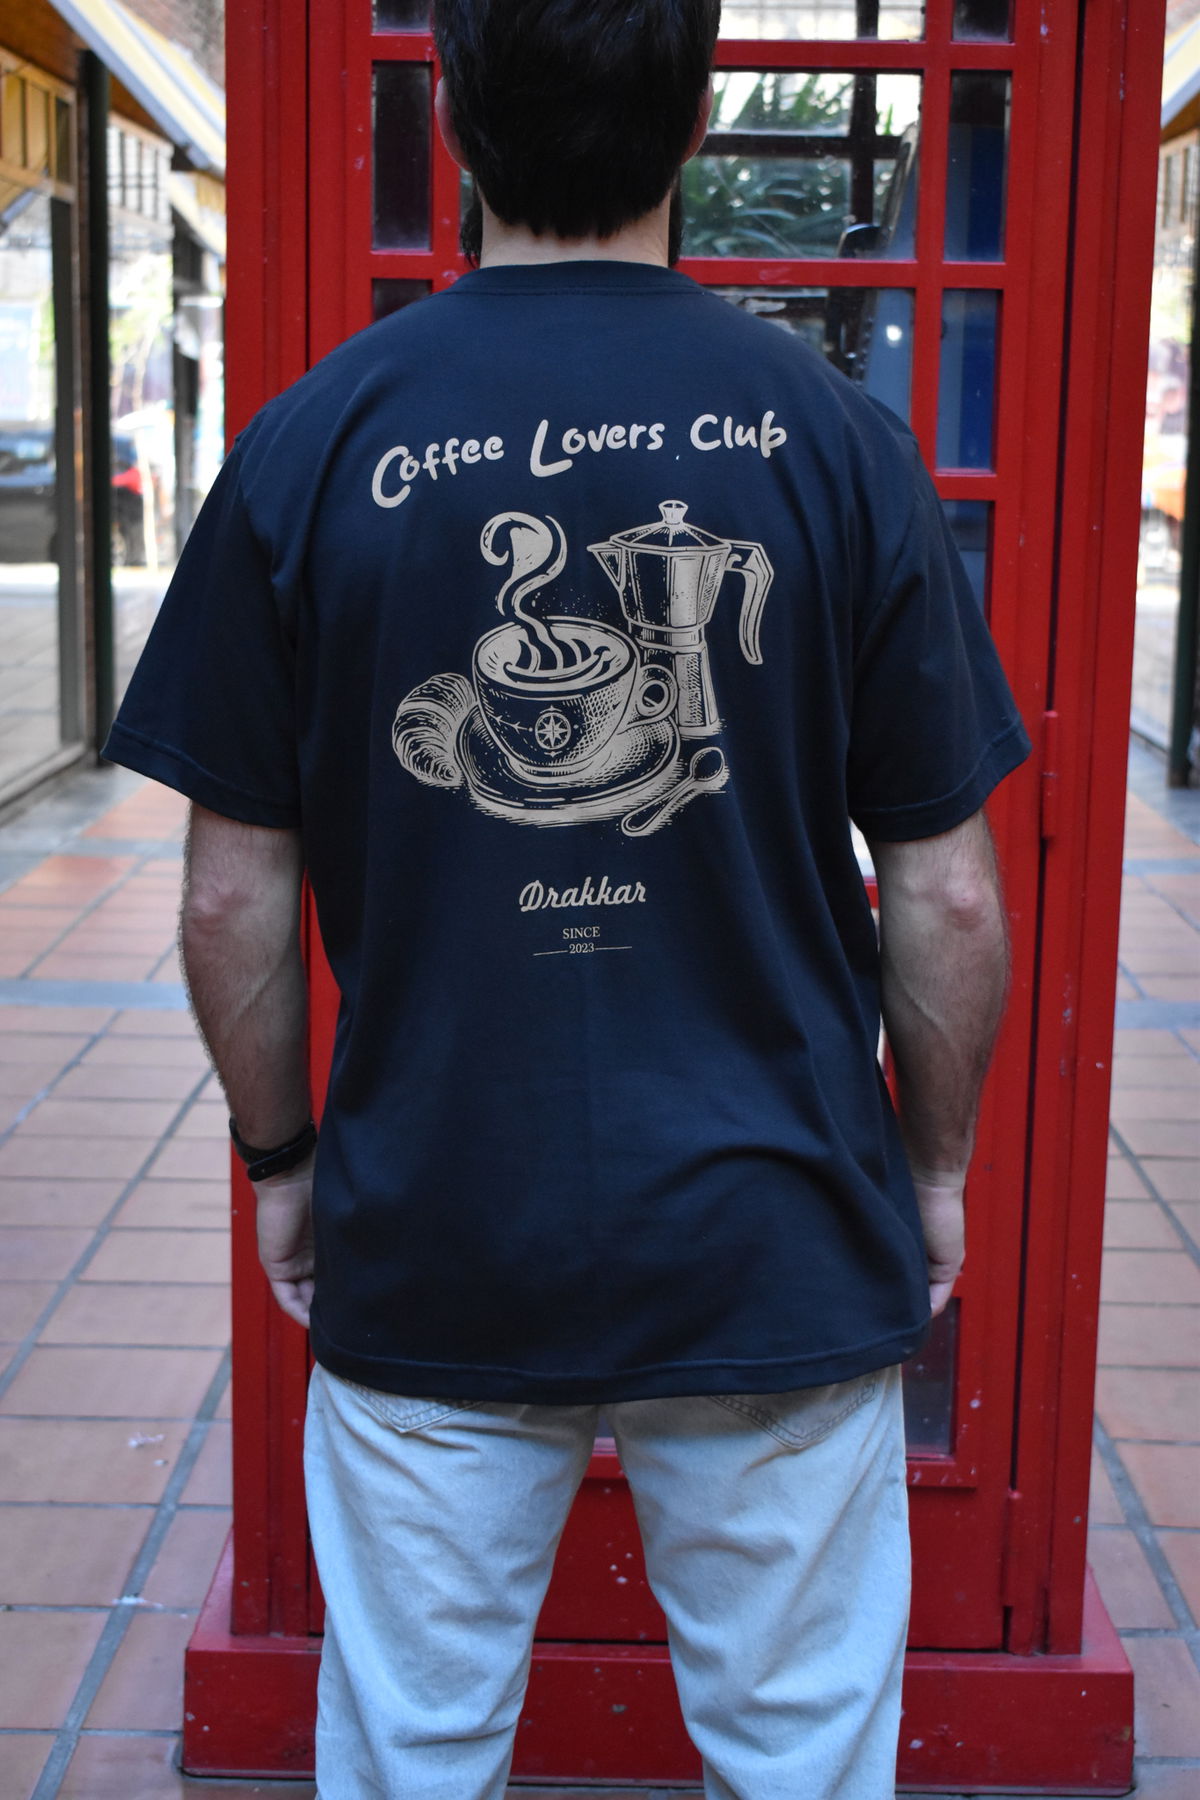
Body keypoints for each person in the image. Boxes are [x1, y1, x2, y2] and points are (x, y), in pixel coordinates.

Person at [105, 2, 1029, 1794]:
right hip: (774, 1221)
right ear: (698, 122)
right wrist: (930, 1170)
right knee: (803, 1749)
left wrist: (284, 1165)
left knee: (414, 1745)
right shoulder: (835, 439)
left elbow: (229, 903)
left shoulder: (312, 438)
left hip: (437, 1215)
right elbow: (952, 898)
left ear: (451, 116)